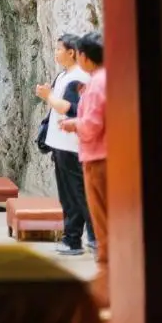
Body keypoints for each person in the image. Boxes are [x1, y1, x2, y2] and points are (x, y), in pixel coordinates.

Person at [36, 33, 96, 256]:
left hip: (71, 145)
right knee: (70, 196)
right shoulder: (64, 75)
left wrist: (47, 96)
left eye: (59, 49)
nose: (55, 53)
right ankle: (73, 239)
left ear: (72, 53)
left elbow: (69, 108)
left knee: (79, 195)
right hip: (60, 144)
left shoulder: (78, 77)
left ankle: (91, 238)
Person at [61, 31, 108, 308]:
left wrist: (73, 124)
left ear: (84, 56)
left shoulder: (96, 84)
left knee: (102, 220)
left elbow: (91, 126)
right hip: (106, 155)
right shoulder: (105, 79)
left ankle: (107, 277)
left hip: (99, 157)